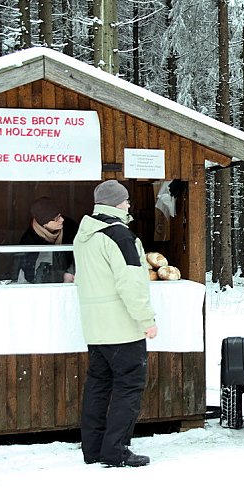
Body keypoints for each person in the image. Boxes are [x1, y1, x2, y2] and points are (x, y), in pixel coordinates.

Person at [73, 180, 158, 468]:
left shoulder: (84, 235)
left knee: (98, 386)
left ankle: (93, 448)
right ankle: (116, 450)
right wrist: (146, 320)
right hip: (122, 328)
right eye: (126, 200)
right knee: (128, 386)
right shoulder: (120, 235)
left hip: (95, 327)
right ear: (118, 203)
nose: (129, 204)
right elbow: (131, 283)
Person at [17, 197, 78, 283]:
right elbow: (30, 274)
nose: (62, 220)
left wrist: (71, 272)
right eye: (57, 218)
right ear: (45, 223)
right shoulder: (29, 241)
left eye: (60, 215)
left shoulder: (71, 227)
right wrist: (61, 276)